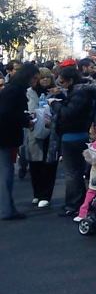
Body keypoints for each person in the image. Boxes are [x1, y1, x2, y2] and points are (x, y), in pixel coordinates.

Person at [51, 66, 96, 218]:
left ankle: (73, 205)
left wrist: (54, 104)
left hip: (72, 136)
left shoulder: (79, 93)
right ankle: (81, 202)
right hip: (79, 134)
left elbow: (68, 113)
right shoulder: (81, 92)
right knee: (77, 172)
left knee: (72, 173)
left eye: (62, 81)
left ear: (70, 80)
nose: (61, 84)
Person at [0, 63, 40, 220]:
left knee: (7, 172)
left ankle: (7, 208)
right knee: (6, 174)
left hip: (6, 136)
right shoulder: (14, 91)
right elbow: (7, 114)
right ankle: (6, 209)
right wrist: (25, 120)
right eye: (34, 78)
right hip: (5, 137)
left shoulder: (12, 89)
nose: (35, 82)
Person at [26, 67, 60, 208]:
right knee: (35, 164)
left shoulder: (57, 92)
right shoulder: (29, 92)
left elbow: (61, 111)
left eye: (47, 77)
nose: (45, 80)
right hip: (34, 131)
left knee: (49, 164)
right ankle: (37, 193)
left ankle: (46, 195)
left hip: (51, 134)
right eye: (42, 77)